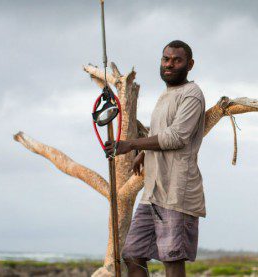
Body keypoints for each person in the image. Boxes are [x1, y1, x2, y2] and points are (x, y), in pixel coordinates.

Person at [105, 40, 206, 277]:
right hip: (152, 192)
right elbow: (158, 132)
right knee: (132, 254)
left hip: (176, 192)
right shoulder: (165, 95)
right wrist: (143, 152)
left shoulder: (192, 94)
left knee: (171, 258)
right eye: (166, 59)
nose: (169, 64)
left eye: (176, 60)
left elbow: (176, 137)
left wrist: (131, 144)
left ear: (189, 64)